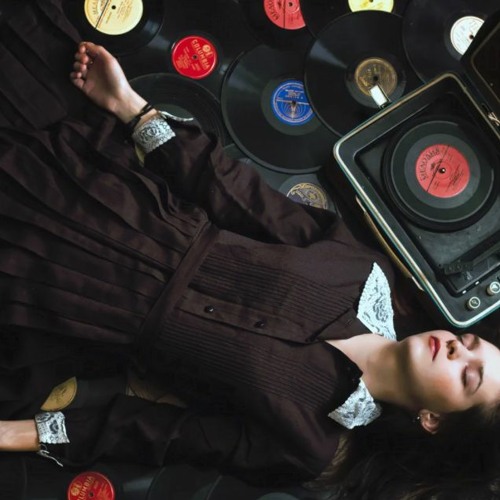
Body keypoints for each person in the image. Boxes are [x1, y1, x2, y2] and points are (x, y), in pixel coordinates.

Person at [0, 2, 499, 499]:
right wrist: (129, 106)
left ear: (433, 421)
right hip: (112, 196)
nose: (458, 350)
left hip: (69, 295)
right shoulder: (366, 272)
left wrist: (12, 434)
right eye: (471, 343)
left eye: (468, 377)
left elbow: (155, 433)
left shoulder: (308, 445)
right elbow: (236, 195)